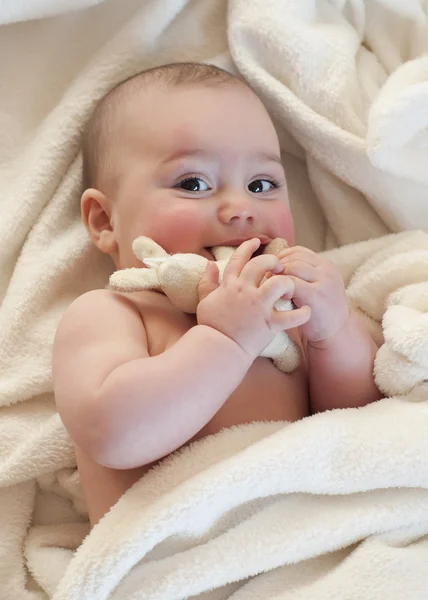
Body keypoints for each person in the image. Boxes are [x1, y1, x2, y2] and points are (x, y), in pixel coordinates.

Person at [52, 62, 381, 528]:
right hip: (181, 555)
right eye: (193, 183)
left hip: (301, 533)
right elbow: (111, 434)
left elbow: (358, 419)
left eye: (261, 185)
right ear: (106, 222)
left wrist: (333, 331)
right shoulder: (113, 313)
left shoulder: (283, 307)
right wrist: (225, 340)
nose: (241, 208)